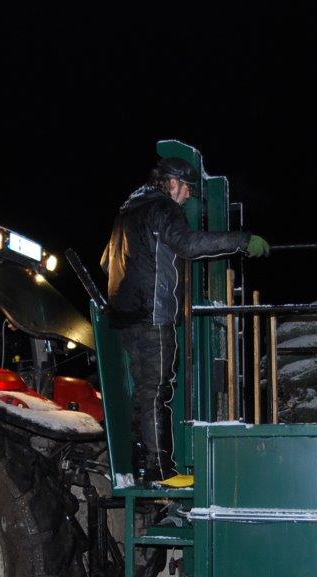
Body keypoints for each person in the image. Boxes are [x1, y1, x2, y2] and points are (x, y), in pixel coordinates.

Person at [102, 157, 269, 482]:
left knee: (144, 391)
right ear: (170, 182)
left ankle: (142, 464)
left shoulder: (127, 212)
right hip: (153, 313)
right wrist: (241, 240)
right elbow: (189, 244)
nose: (188, 195)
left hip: (126, 317)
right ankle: (160, 470)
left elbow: (106, 260)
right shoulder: (162, 208)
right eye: (187, 187)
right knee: (157, 389)